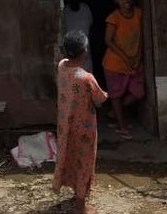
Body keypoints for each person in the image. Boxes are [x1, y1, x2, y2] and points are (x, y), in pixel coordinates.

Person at [54, 30, 108, 214]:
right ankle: (80, 207)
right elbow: (100, 99)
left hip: (64, 125)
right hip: (84, 129)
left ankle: (73, 189)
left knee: (68, 155)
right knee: (84, 161)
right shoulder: (86, 78)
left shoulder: (62, 66)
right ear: (84, 51)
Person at [102, 0, 144, 140]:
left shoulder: (138, 13)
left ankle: (115, 113)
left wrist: (138, 57)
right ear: (116, 2)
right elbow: (108, 40)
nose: (126, 1)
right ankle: (122, 126)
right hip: (114, 63)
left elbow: (142, 38)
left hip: (134, 61)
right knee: (116, 96)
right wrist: (126, 58)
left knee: (139, 92)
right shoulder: (113, 18)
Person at [64, 0, 94, 72]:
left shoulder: (85, 9)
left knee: (86, 73)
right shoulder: (65, 11)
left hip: (85, 48)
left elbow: (90, 26)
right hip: (72, 50)